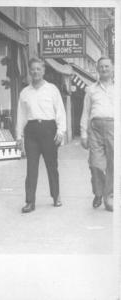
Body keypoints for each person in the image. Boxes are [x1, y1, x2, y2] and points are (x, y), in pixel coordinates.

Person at [16, 57, 66, 213]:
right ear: (29, 71)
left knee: (52, 165)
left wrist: (60, 131)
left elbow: (60, 111)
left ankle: (56, 195)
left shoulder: (52, 89)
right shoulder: (25, 92)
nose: (35, 72)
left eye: (38, 69)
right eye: (33, 69)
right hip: (31, 131)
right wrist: (19, 136)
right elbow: (21, 116)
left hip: (48, 129)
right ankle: (30, 201)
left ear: (43, 71)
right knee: (31, 168)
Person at [80, 56, 114, 212]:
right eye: (101, 67)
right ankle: (98, 192)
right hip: (95, 129)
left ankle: (109, 196)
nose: (104, 69)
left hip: (114, 128)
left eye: (107, 66)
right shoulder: (91, 89)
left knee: (113, 164)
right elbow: (85, 112)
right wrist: (83, 134)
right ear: (97, 69)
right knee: (95, 164)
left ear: (112, 68)